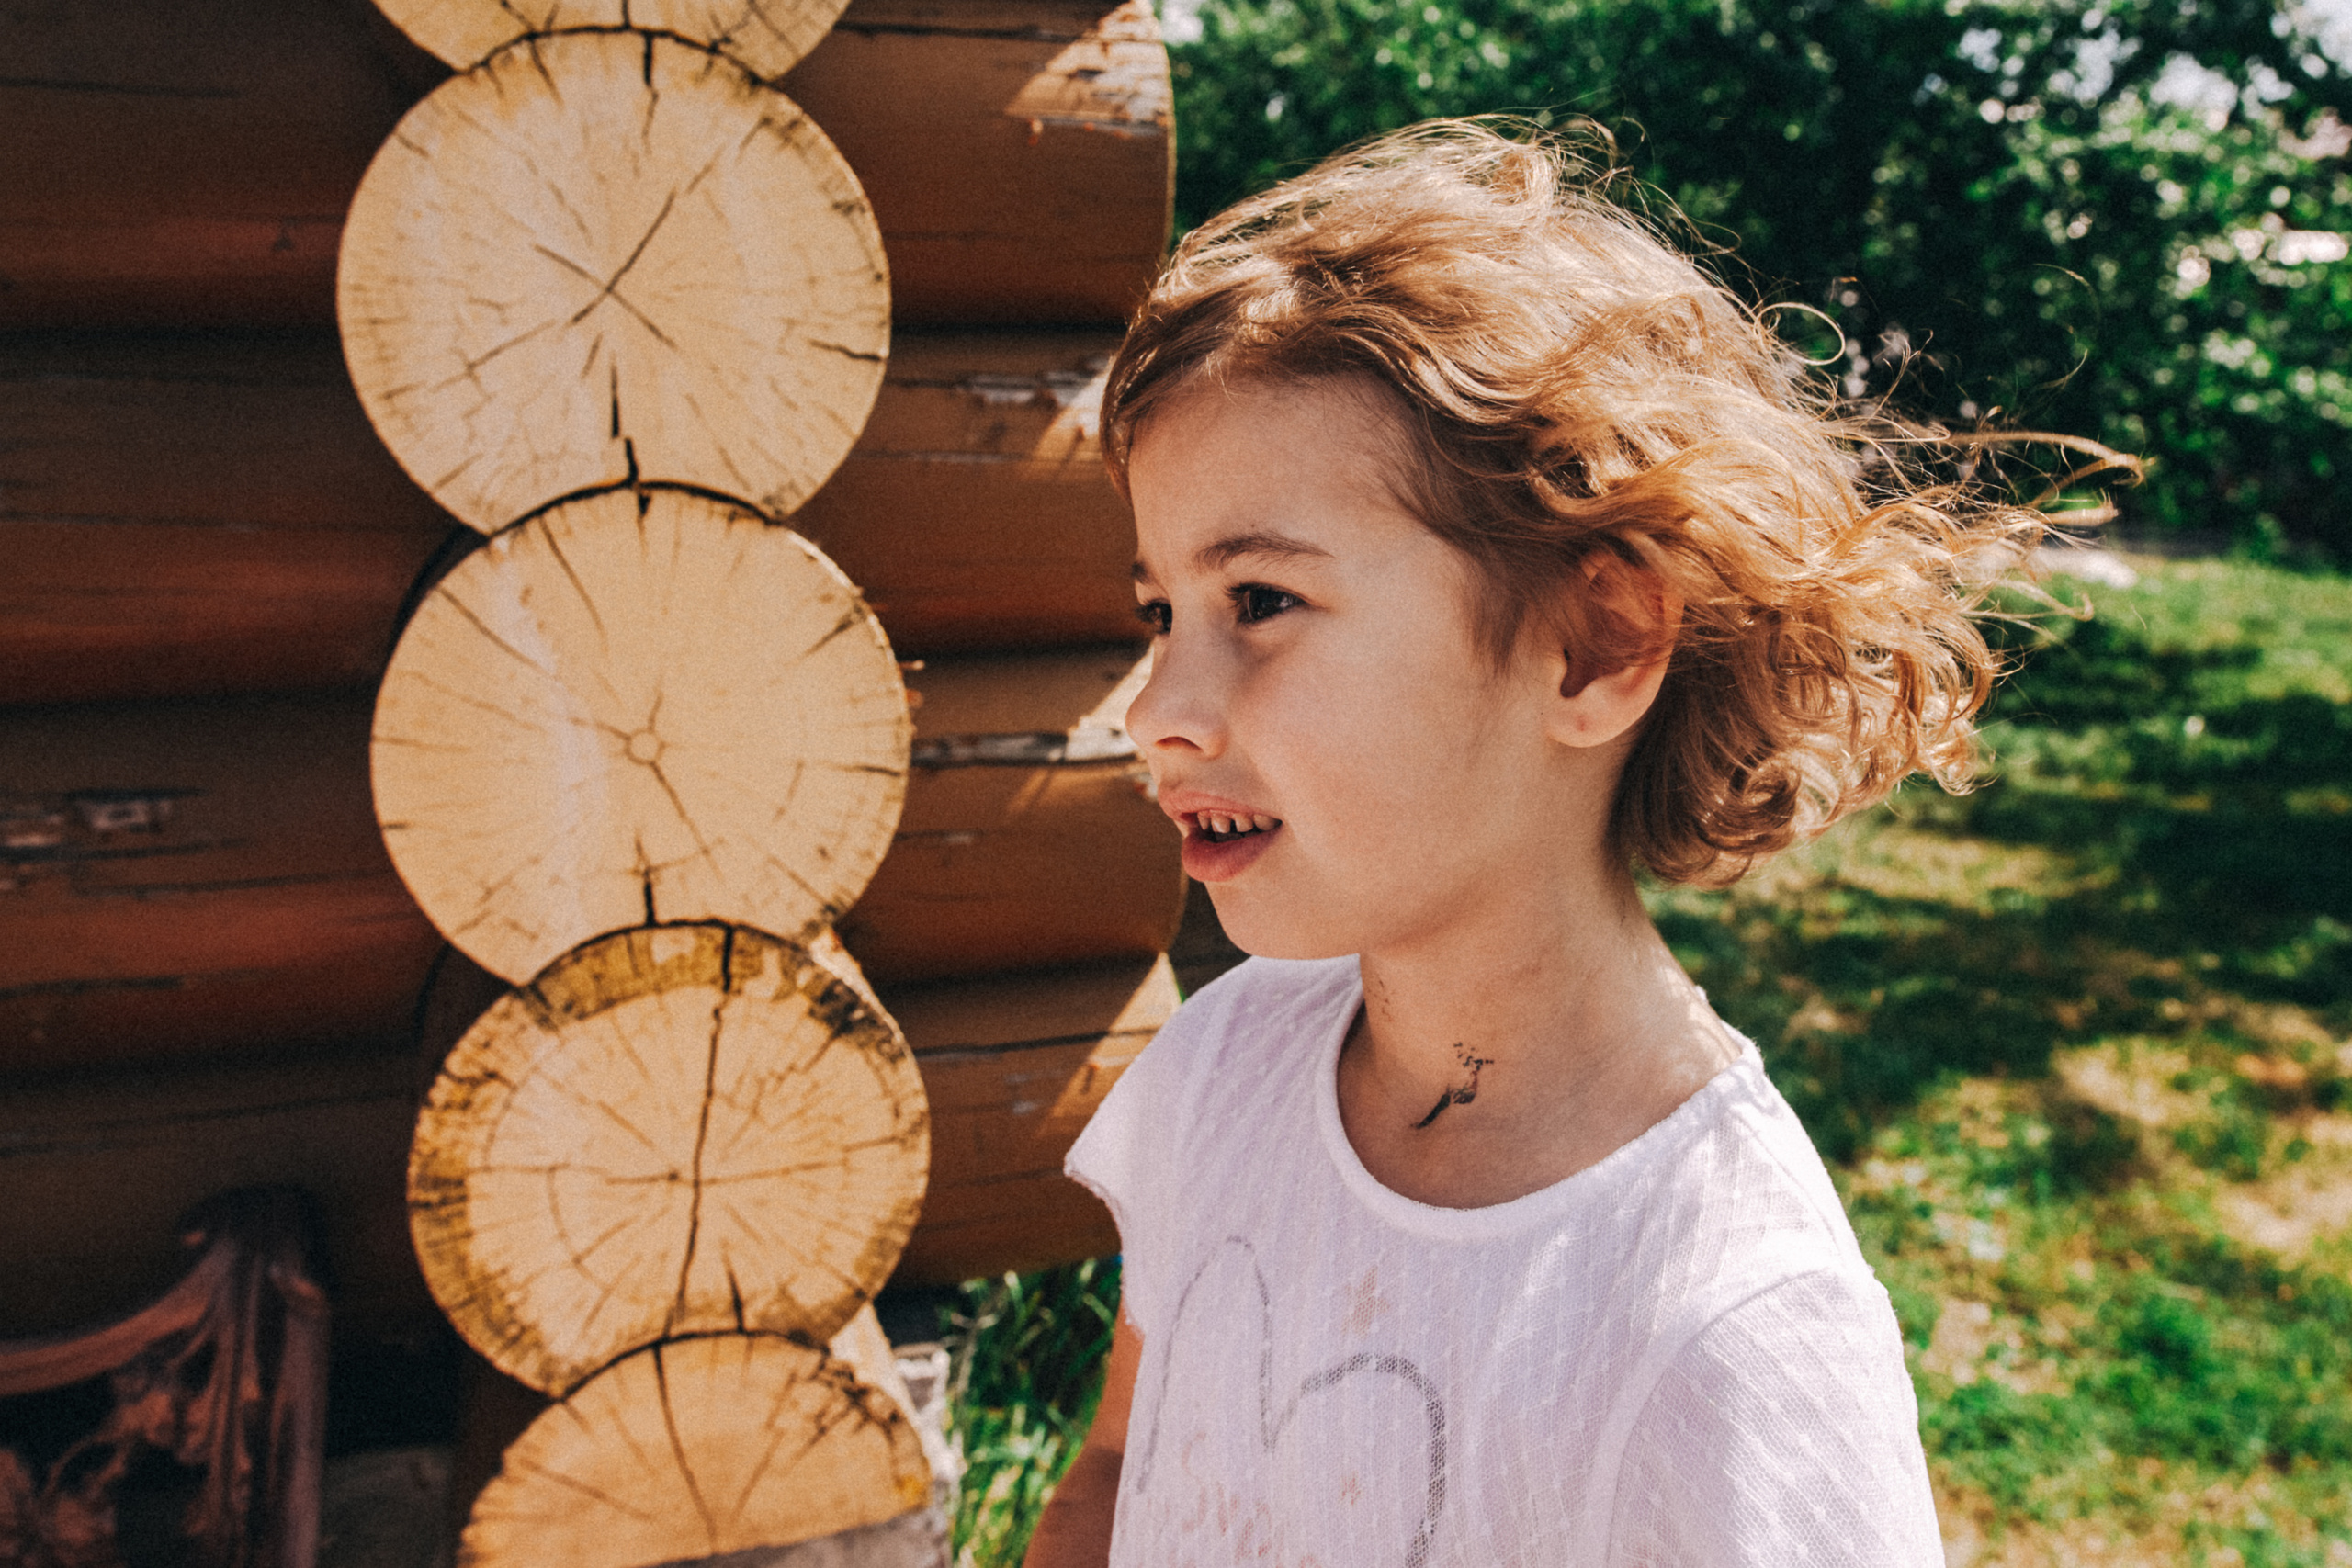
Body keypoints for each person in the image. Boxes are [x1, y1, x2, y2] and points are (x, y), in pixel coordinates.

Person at [1027, 118, 2039, 1567]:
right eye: (1158, 616)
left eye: (1257, 602)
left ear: (1592, 644)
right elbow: (1121, 1468)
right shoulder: (1217, 1080)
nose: (1159, 712)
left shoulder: (1729, 1329)